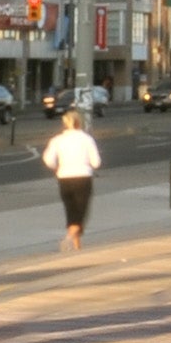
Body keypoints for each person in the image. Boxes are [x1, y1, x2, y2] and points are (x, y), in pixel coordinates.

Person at [40, 106, 105, 252]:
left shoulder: (57, 140)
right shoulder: (87, 139)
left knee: (71, 211)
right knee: (81, 212)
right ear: (79, 122)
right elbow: (96, 162)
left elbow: (48, 159)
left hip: (64, 178)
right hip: (82, 177)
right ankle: (69, 238)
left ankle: (77, 245)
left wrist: (56, 167)